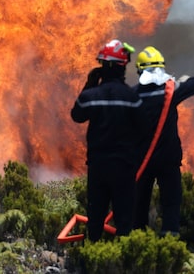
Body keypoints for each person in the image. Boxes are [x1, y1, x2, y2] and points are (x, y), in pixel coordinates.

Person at [71, 38, 142, 241]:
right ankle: (123, 260)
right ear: (121, 67)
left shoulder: (92, 95)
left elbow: (77, 115)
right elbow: (142, 128)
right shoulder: (132, 97)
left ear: (103, 66)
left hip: (98, 166)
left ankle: (92, 256)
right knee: (124, 219)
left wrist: (89, 84)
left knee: (95, 217)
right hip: (124, 166)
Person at [133, 45, 194, 236]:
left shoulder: (133, 95)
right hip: (168, 159)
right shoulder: (170, 91)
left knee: (139, 202)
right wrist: (181, 79)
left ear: (139, 70)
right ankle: (169, 239)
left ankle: (137, 239)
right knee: (171, 201)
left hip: (142, 160)